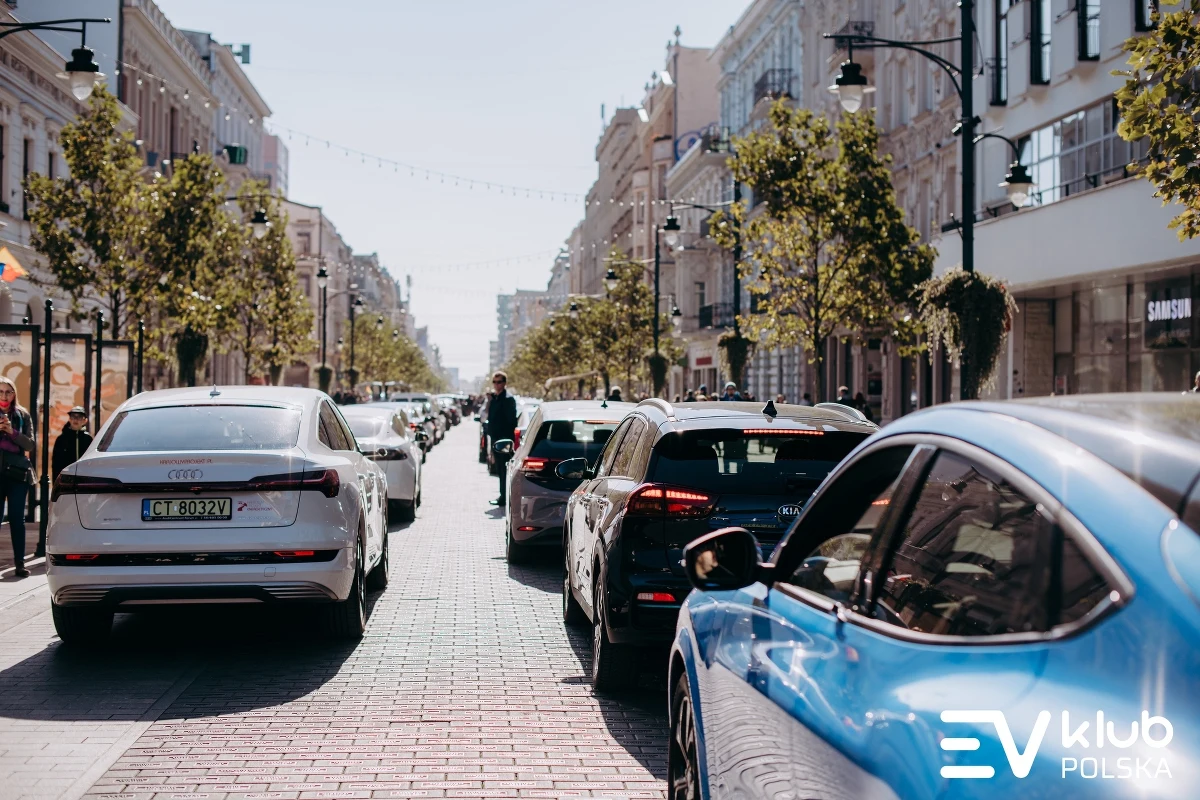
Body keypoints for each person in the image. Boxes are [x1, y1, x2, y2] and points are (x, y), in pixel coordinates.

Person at [0, 377, 35, 577]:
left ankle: (20, 563)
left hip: (17, 473)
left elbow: (29, 445)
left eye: (8, 392)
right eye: (1, 391)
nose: (4, 396)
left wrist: (11, 431)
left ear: (14, 394)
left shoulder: (22, 415)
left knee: (16, 519)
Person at [486, 371, 519, 507]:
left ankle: (505, 497)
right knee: (499, 469)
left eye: (499, 382)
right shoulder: (495, 399)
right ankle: (502, 495)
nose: (496, 385)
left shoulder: (508, 399)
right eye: (494, 382)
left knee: (504, 469)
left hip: (504, 441)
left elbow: (511, 421)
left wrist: (506, 440)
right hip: (495, 439)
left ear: (504, 383)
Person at [52, 406, 92, 482]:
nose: (76, 419)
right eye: (73, 416)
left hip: (83, 479)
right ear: (70, 419)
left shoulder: (88, 439)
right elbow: (56, 464)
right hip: (66, 479)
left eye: (79, 417)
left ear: (85, 420)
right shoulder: (61, 439)